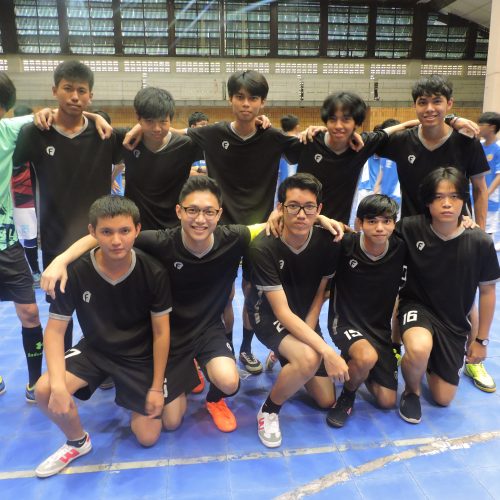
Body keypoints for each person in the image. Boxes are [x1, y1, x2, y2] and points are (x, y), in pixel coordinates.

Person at [34, 195, 171, 478]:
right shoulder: (75, 272)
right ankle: (77, 441)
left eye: (124, 231)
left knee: (148, 436)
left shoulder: (153, 271)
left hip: (138, 355)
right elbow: (55, 331)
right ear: (92, 232)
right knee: (45, 390)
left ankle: (135, 393)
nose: (116, 240)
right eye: (106, 232)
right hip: (96, 350)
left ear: (137, 230)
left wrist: (156, 387)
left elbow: (161, 332)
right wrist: (58, 385)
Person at [13, 60, 119, 352]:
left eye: (81, 91)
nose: (74, 96)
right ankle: (66, 364)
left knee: (102, 308)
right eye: (68, 89)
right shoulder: (35, 133)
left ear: (90, 96)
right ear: (54, 91)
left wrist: (95, 118)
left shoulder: (104, 134)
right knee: (62, 314)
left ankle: (105, 362)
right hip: (55, 242)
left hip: (98, 241)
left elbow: (147, 135)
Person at [247, 173, 349, 448]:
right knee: (308, 358)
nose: (301, 214)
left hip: (304, 316)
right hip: (268, 316)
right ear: (280, 208)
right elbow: (281, 313)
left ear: (319, 209)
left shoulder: (328, 241)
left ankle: (284, 352)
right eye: (293, 206)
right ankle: (269, 410)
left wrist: (308, 332)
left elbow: (319, 295)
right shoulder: (264, 247)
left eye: (309, 207)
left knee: (326, 399)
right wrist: (326, 351)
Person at [396, 167, 499, 424]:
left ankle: (429, 361)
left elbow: (487, 292)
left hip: (453, 321)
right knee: (418, 348)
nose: (446, 203)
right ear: (427, 201)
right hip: (417, 307)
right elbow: (374, 237)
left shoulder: (479, 241)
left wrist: (481, 340)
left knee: (443, 398)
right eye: (439, 197)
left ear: (464, 200)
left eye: (454, 196)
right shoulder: (409, 228)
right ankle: (411, 391)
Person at [326, 194, 406, 428]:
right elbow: (309, 226)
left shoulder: (401, 248)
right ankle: (347, 396)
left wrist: (465, 221)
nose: (380, 228)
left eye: (386, 221)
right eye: (372, 221)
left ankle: (357, 366)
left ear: (394, 223)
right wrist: (321, 218)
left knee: (387, 401)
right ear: (359, 222)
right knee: (366, 357)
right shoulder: (344, 244)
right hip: (344, 322)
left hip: (378, 330)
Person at [0, 73, 44, 402]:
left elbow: (58, 114)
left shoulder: (8, 130)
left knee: (30, 312)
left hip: (7, 245)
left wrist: (97, 119)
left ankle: (34, 381)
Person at [462, 111, 500, 392]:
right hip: (420, 230)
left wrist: (480, 230)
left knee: (468, 294)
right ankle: (395, 348)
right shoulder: (416, 141)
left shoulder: (469, 146)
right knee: (406, 291)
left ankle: (473, 357)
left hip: (463, 226)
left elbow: (480, 187)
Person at [11, 105, 42, 286]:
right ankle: (35, 272)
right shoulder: (13, 139)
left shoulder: (35, 137)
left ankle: (35, 272)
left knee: (27, 236)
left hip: (32, 195)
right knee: (28, 236)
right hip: (23, 197)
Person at [188, 111, 209, 176]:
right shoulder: (184, 144)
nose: (206, 127)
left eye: (207, 125)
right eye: (202, 124)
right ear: (193, 127)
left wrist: (199, 169)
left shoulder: (210, 143)